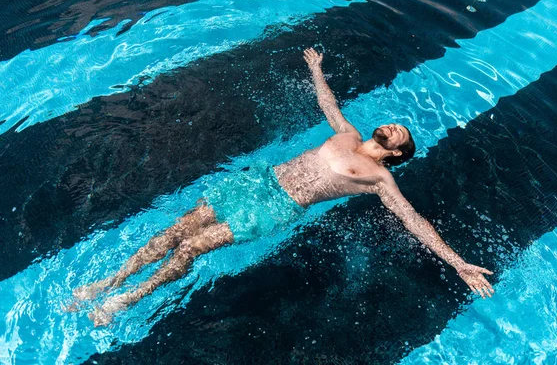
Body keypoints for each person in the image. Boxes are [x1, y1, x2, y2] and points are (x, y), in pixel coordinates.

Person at [72, 48, 494, 327]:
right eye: (394, 124)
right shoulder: (347, 134)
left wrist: (457, 263)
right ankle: (106, 283)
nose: (394, 127)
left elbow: (412, 219)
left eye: (400, 133)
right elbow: (329, 104)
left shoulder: (381, 177)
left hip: (277, 206)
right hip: (259, 182)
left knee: (191, 248)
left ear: (399, 154)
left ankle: (127, 300)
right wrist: (315, 70)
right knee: (174, 231)